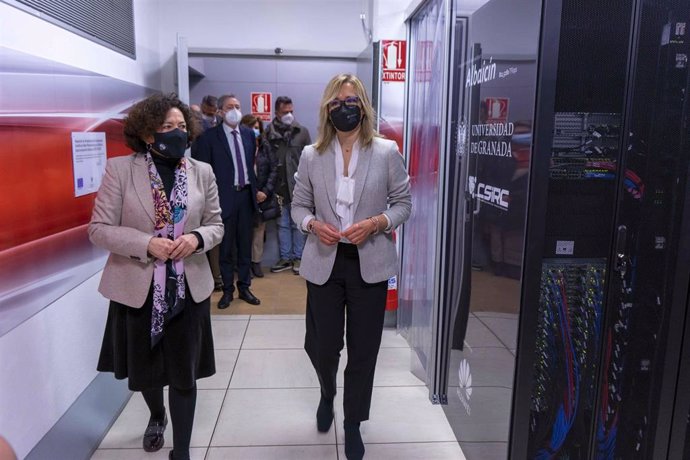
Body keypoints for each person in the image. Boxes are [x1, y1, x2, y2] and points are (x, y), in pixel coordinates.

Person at [89, 93, 224, 460]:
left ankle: (181, 451)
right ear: (149, 134)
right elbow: (99, 229)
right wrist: (147, 243)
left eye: (182, 126)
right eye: (167, 127)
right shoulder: (120, 170)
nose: (177, 133)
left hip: (187, 288)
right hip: (139, 287)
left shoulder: (202, 172)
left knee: (184, 373)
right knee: (147, 370)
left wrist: (196, 238)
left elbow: (216, 225)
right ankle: (156, 414)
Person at [291, 74, 412, 460]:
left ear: (363, 105)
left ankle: (352, 421)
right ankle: (327, 391)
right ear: (329, 108)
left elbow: (403, 204)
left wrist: (377, 222)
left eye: (353, 99)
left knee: (364, 350)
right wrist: (312, 224)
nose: (346, 106)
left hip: (370, 263)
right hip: (325, 262)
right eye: (339, 100)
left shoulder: (386, 151)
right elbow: (298, 207)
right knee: (323, 346)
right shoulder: (312, 155)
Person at [192, 94, 261, 307]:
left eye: (238, 106)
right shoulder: (209, 137)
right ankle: (228, 290)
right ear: (220, 111)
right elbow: (202, 172)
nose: (235, 110)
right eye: (230, 107)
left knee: (244, 245)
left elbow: (251, 166)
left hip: (246, 197)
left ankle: (245, 287)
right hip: (222, 199)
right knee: (225, 248)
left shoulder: (250, 135)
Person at [265, 96, 312, 274]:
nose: (289, 115)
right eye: (285, 112)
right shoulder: (269, 132)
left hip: (299, 186)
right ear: (277, 112)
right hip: (278, 187)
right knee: (282, 224)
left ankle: (298, 258)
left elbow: (310, 160)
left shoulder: (302, 132)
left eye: (291, 111)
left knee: (298, 224)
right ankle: (286, 258)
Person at [241, 114, 279, 278]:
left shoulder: (265, 145)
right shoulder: (238, 146)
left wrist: (265, 191)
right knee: (242, 232)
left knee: (258, 231)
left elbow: (274, 169)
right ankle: (244, 265)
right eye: (251, 128)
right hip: (244, 195)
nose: (254, 131)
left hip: (262, 196)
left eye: (256, 128)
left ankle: (256, 263)